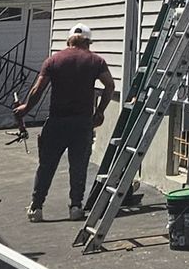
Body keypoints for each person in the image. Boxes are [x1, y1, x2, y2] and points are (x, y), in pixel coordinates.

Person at [17, 25, 116, 223]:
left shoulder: (54, 60)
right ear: (87, 42)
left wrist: (25, 108)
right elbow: (110, 86)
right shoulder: (95, 61)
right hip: (82, 123)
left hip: (57, 122)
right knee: (78, 166)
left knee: (46, 165)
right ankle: (76, 207)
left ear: (68, 41)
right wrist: (100, 112)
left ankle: (36, 207)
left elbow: (38, 89)